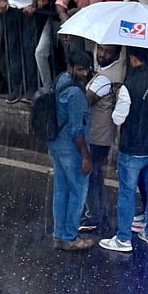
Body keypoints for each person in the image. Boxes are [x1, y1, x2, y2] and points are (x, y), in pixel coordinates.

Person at [100, 46, 148, 253]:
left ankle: (123, 238)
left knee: (126, 192)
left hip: (132, 148)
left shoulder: (129, 86)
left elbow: (118, 118)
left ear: (133, 59)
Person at [48, 48, 94, 252]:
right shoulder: (76, 93)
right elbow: (77, 131)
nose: (84, 73)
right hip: (71, 147)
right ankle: (70, 236)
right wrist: (86, 156)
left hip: (56, 143)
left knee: (61, 190)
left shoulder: (62, 79)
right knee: (77, 192)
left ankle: (59, 234)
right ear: (71, 67)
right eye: (80, 69)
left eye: (86, 69)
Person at [79, 44, 124, 235]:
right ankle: (99, 214)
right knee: (95, 175)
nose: (103, 54)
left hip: (97, 134)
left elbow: (85, 101)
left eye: (108, 52)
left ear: (117, 54)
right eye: (101, 50)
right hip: (103, 134)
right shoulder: (106, 74)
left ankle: (94, 216)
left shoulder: (104, 79)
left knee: (91, 175)